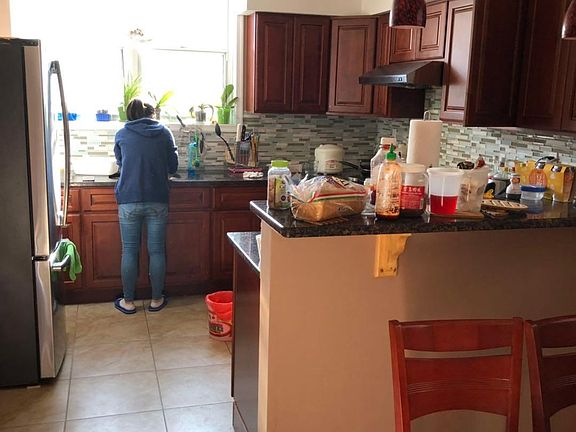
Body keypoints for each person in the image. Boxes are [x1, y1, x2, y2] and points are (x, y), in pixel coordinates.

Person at [113, 99, 178, 314]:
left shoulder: (122, 134)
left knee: (129, 250)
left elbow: (120, 163)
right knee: (156, 250)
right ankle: (156, 300)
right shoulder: (164, 132)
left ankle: (128, 301)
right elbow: (173, 166)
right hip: (157, 198)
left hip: (128, 199)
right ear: (151, 113)